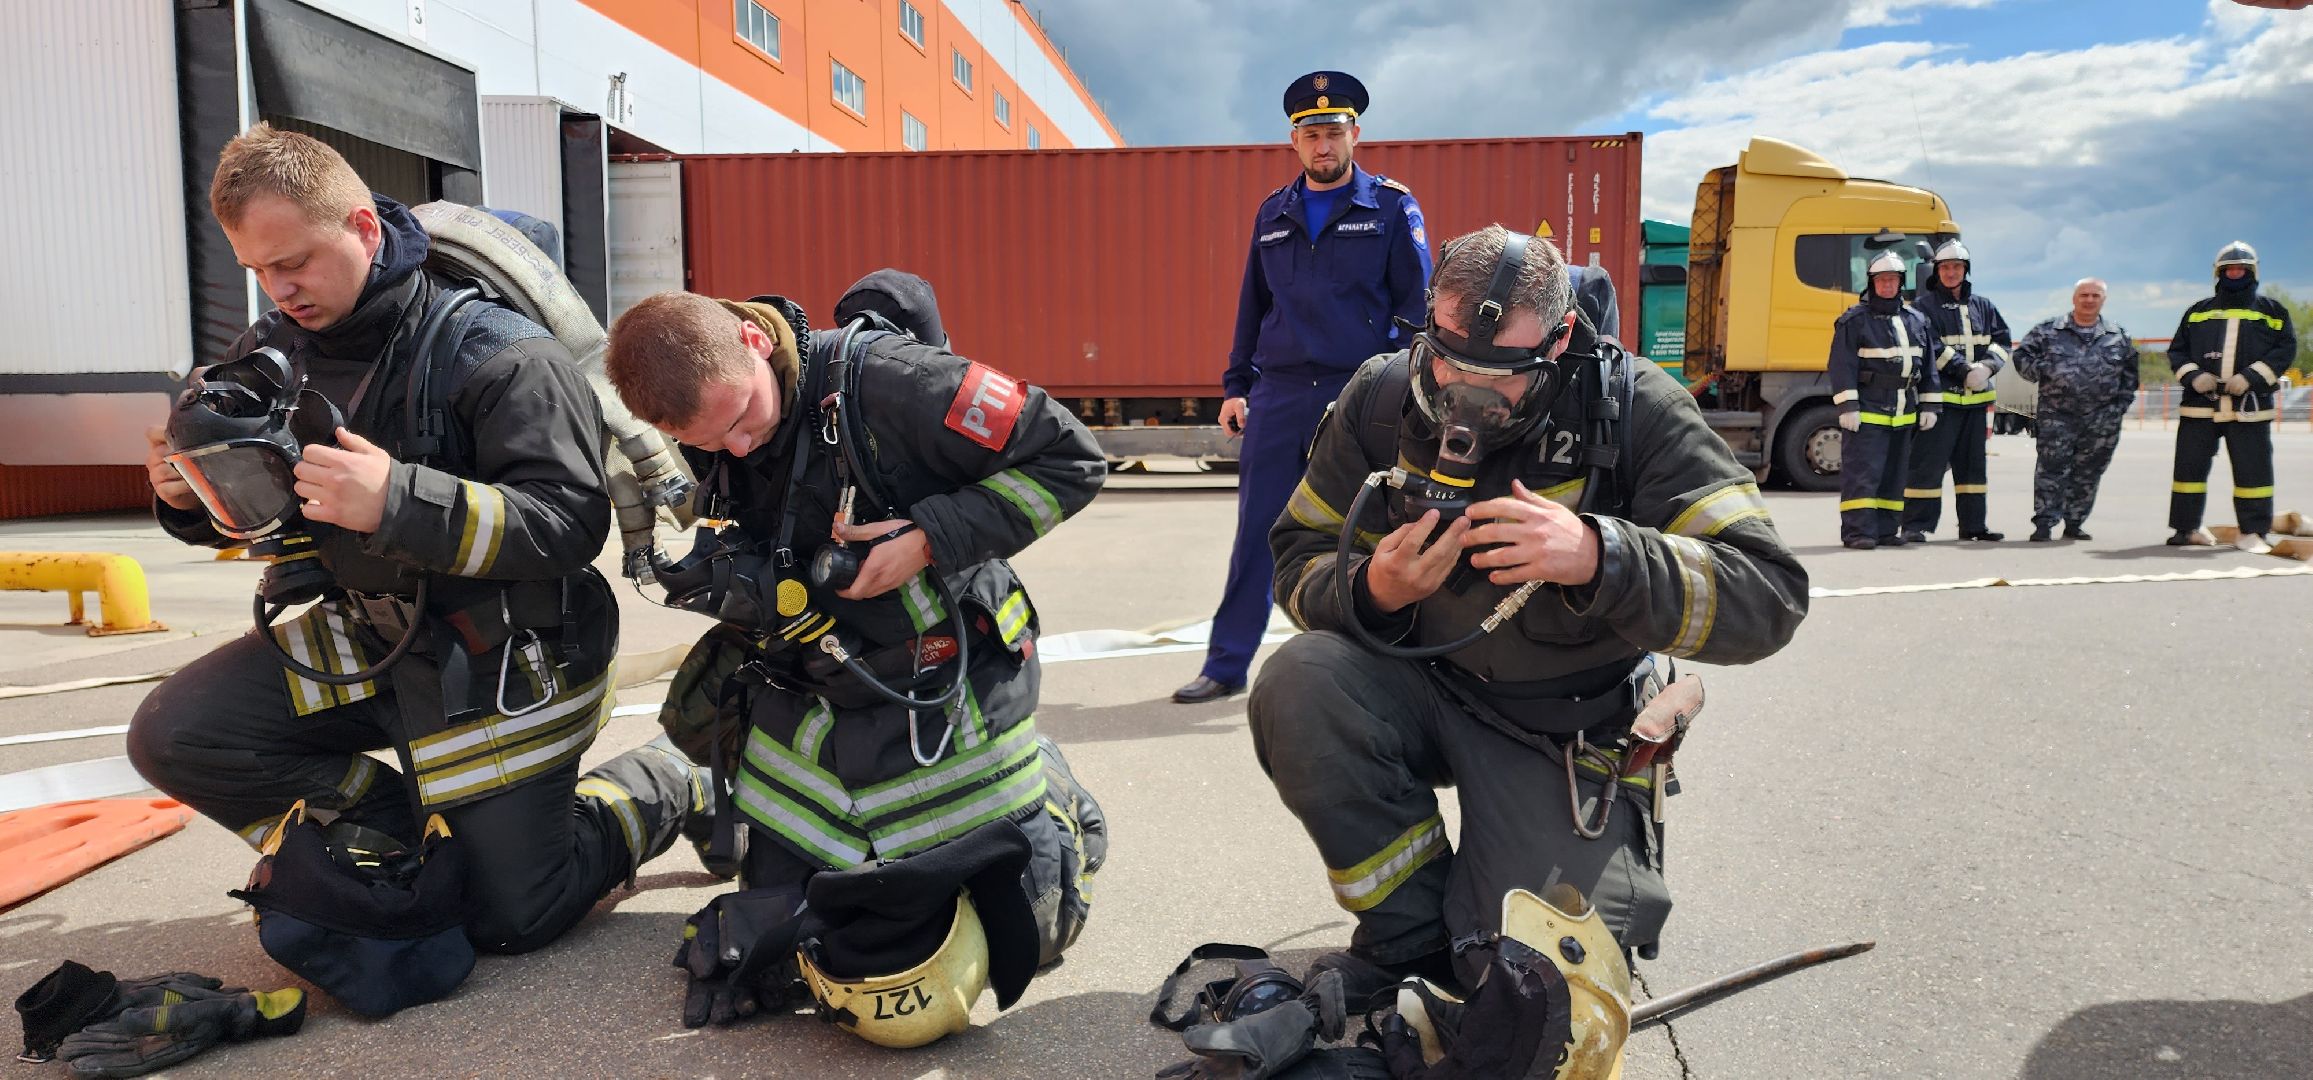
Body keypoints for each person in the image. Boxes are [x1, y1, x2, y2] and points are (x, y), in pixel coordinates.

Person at [130, 124, 700, 957]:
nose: (279, 289)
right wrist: (189, 494)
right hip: (370, 637)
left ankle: (674, 780)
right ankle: (403, 836)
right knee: (176, 733)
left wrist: (397, 501)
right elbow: (262, 511)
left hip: (505, 654)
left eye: (295, 261)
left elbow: (570, 526)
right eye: (257, 270)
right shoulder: (272, 351)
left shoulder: (501, 354)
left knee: (512, 918)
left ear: (363, 227)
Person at [1247, 225, 1808, 996]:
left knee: (1532, 989)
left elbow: (1768, 596)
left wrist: (1601, 557)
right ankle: (1407, 936)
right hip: (1424, 693)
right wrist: (1373, 590)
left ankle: (1500, 914)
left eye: (1500, 372)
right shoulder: (1380, 397)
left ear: (1561, 336)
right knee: (1300, 680)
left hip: (1565, 729)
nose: (1463, 388)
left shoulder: (1636, 407)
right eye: (1447, 357)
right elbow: (1298, 553)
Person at [601, 286, 1107, 1046]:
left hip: (942, 678)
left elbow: (1072, 459)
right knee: (786, 939)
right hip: (809, 683)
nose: (737, 447)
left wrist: (927, 539)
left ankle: (1050, 788)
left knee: (1035, 927)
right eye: (712, 442)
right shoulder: (721, 417)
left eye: (741, 420)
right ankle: (698, 787)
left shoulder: (895, 382)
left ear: (753, 339)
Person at [1172, 69, 1434, 705]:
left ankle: (1376, 668)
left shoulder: (1391, 208)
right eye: (1311, 135)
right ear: (1294, 141)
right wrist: (1236, 385)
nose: (1323, 145)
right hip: (1281, 394)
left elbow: (1416, 309)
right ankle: (1226, 664)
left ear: (1354, 135)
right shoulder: (1274, 213)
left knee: (1368, 529)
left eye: (1334, 133)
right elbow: (1253, 306)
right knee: (1259, 531)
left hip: (1359, 392)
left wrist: (1398, 385)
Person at [2165, 241, 2297, 552]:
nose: (2235, 273)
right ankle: (2186, 529)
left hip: (2249, 408)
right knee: (2188, 472)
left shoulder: (2272, 311)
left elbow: (2285, 349)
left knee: (2254, 472)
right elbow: (2177, 351)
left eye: (2241, 269)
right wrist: (2194, 376)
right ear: (2219, 273)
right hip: (2200, 407)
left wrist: (2251, 377)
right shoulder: (2197, 312)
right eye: (2229, 269)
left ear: (2252, 272)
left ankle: (2253, 532)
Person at [1829, 250, 1944, 550]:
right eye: (1882, 280)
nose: (1887, 285)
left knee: (1894, 475)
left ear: (1900, 282)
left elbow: (1928, 366)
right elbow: (1842, 365)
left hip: (1904, 413)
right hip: (1868, 412)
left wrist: (1930, 405)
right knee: (1863, 476)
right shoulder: (1855, 321)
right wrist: (1848, 406)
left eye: (1892, 279)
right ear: (1872, 283)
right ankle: (1858, 532)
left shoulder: (1916, 320)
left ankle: (1886, 530)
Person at [2011, 279, 2139, 542]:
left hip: (2101, 418)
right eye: (2084, 295)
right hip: (2057, 415)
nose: (2089, 300)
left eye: (2095, 295)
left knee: (2088, 471)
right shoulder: (2049, 330)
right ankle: (2045, 522)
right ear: (2074, 298)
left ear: (2103, 300)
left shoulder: (2118, 336)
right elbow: (2021, 356)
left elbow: (2130, 375)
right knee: (2051, 468)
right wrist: (2044, 371)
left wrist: (2118, 408)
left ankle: (2075, 522)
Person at [1903, 239, 2011, 542]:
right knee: (1926, 466)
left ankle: (1974, 525)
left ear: (1966, 270)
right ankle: (1915, 525)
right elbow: (1930, 346)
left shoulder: (1984, 306)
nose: (1951, 273)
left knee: (1973, 468)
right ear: (1937, 271)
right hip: (1941, 403)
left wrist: (1987, 367)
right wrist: (1964, 370)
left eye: (1957, 267)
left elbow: (2002, 341)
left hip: (1976, 404)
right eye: (1946, 267)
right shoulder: (1923, 307)